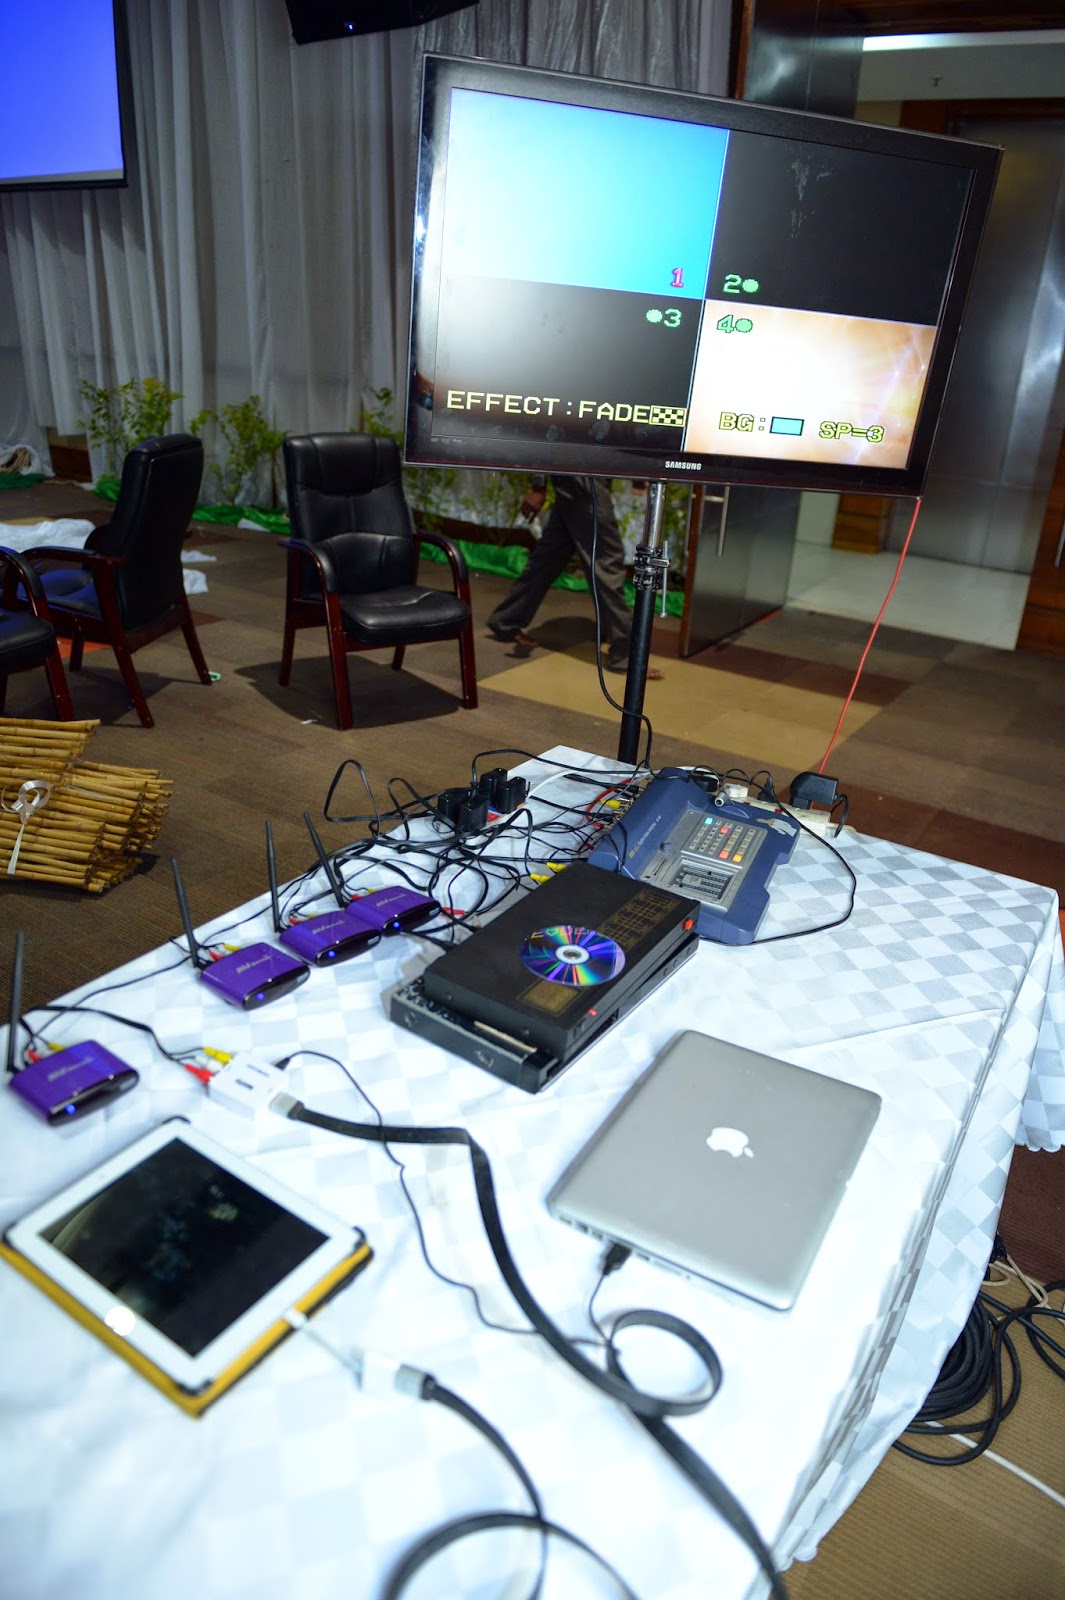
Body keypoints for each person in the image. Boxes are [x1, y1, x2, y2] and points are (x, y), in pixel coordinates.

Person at [486, 474, 663, 678]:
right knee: (606, 561)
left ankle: (506, 620)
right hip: (584, 479)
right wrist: (538, 485)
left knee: (549, 557)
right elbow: (551, 449)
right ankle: (626, 656)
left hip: (579, 477)